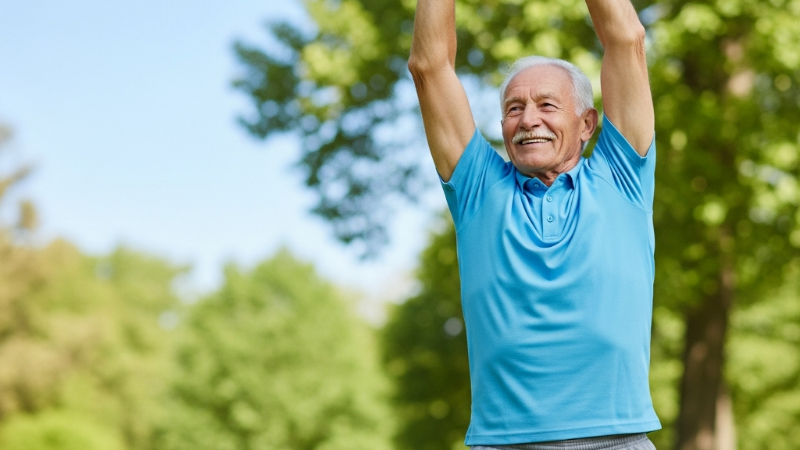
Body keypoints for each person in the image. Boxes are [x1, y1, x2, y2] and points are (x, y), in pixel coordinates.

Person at [407, 0, 661, 449]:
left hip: (616, 438)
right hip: (505, 441)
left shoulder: (622, 174)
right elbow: (429, 66)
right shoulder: (478, 189)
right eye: (513, 109)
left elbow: (626, 39)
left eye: (547, 105)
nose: (528, 120)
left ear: (586, 124)